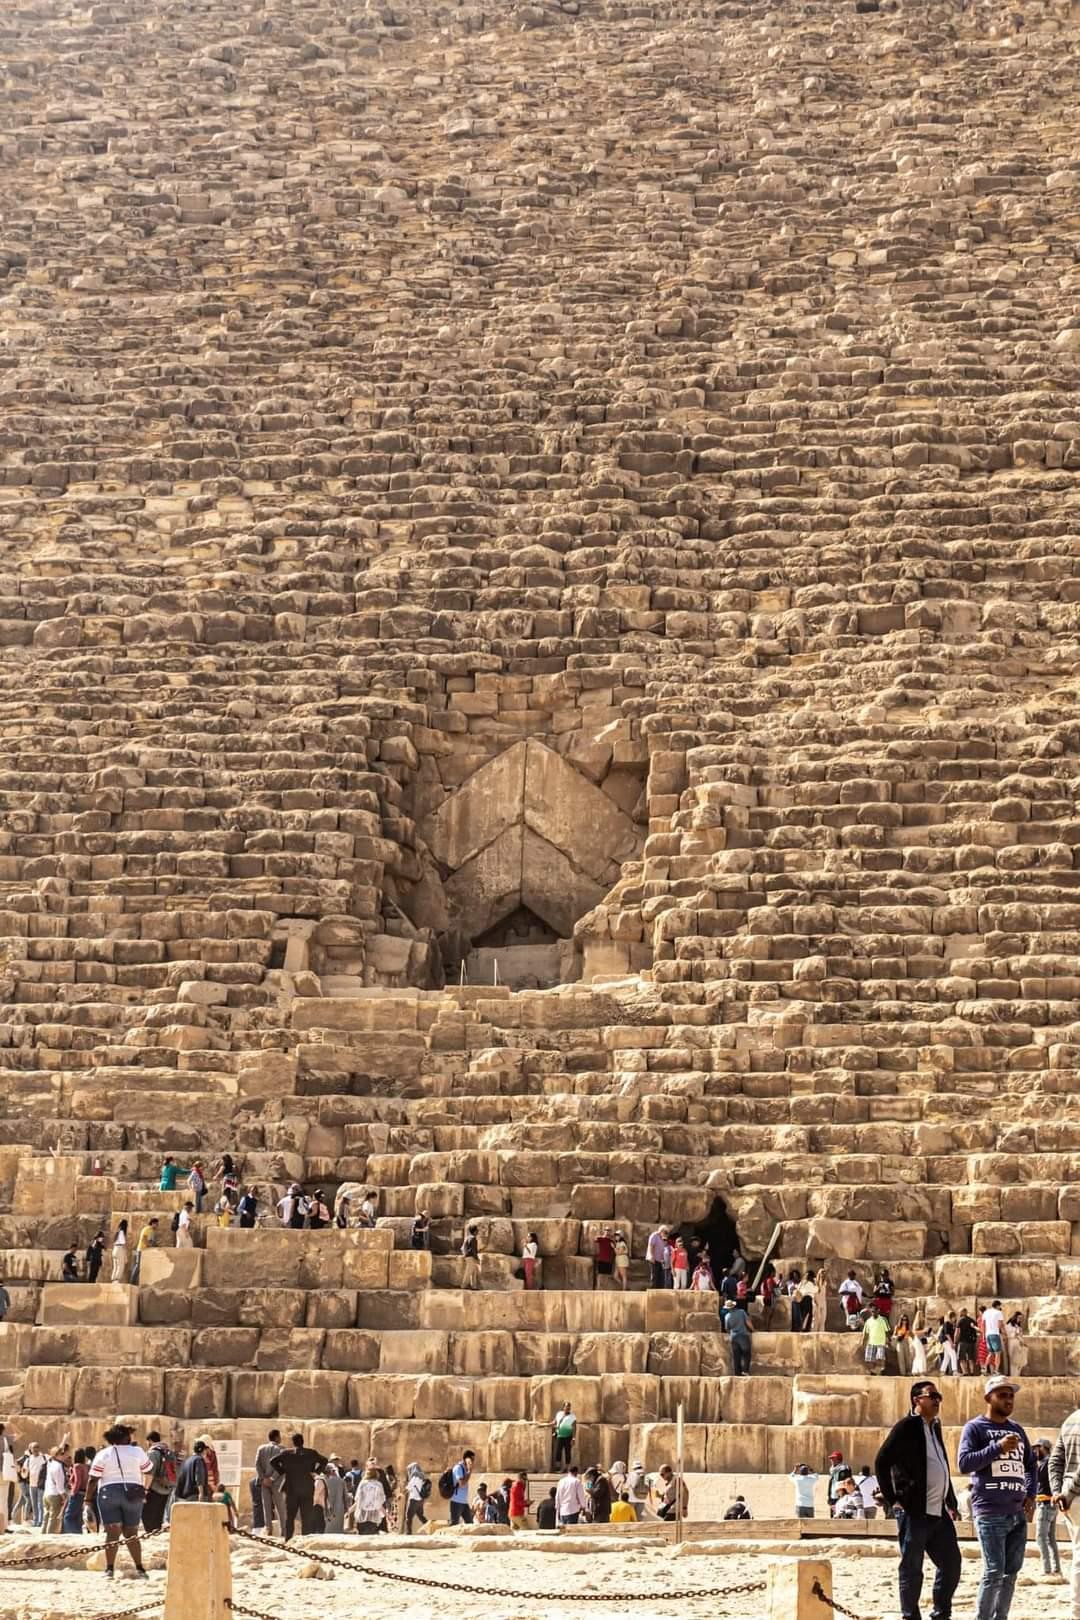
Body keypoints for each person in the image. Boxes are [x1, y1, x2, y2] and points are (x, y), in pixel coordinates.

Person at [875, 1379, 961, 1620]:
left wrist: (950, 1500)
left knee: (951, 1564)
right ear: (916, 1400)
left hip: (938, 1511)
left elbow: (941, 1463)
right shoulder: (906, 1426)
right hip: (914, 1510)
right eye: (932, 1396)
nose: (937, 1400)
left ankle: (941, 1613)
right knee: (912, 1567)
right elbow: (882, 1461)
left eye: (939, 1397)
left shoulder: (935, 1427)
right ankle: (910, 1615)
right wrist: (893, 1499)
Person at [958, 1375, 1036, 1620]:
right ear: (988, 1398)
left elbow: (1030, 1465)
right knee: (993, 1572)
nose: (1008, 1400)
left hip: (1017, 1513)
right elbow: (964, 1463)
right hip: (990, 1511)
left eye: (1011, 1395)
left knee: (1011, 1574)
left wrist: (1031, 1494)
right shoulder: (975, 1428)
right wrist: (998, 1448)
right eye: (1002, 1395)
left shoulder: (1017, 1429)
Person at [87, 1423, 154, 1578]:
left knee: (112, 1532)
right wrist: (145, 1489)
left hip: (109, 1493)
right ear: (127, 1437)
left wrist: (87, 1500)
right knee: (132, 1533)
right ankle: (140, 1569)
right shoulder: (137, 1451)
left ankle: (109, 1569)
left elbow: (93, 1479)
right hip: (133, 1493)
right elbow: (149, 1471)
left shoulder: (104, 1453)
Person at [271, 1433, 328, 1540]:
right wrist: (315, 1472)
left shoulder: (286, 1453)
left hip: (291, 1488)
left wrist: (283, 1471)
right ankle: (305, 1538)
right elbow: (324, 1460)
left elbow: (273, 1461)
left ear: (293, 1442)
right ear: (303, 1441)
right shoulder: (311, 1453)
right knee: (306, 1516)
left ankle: (288, 1538)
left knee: (290, 1516)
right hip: (307, 1488)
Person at [1032, 1440, 1062, 1579]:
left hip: (1045, 1504)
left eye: (1036, 1449)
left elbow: (1036, 1477)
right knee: (1050, 1539)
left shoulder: (1047, 1462)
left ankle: (1047, 1569)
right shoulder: (1050, 1462)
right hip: (1050, 1504)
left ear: (1043, 1448)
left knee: (1041, 1538)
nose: (1034, 1452)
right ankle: (1056, 1568)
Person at [142, 1431, 176, 1534]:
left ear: (149, 1441)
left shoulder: (153, 1453)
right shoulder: (168, 1451)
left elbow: (149, 1473)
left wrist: (145, 1489)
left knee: (147, 1514)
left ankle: (150, 1533)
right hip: (166, 1488)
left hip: (154, 1488)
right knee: (159, 1514)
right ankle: (156, 1532)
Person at [254, 1429, 285, 1536]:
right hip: (276, 1482)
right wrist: (272, 1478)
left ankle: (268, 1530)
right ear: (276, 1437)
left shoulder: (261, 1448)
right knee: (280, 1507)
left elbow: (257, 1464)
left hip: (264, 1483)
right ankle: (284, 1531)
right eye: (280, 1436)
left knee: (266, 1507)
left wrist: (263, 1478)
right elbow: (281, 1466)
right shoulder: (281, 1449)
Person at [63, 1447, 90, 1534]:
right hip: (84, 1492)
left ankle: (71, 1532)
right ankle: (78, 1532)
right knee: (78, 1515)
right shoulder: (87, 1466)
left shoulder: (76, 1466)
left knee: (68, 1516)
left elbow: (78, 1481)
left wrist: (73, 1492)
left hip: (77, 1492)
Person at [42, 1446, 68, 1533]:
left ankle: (43, 1535)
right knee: (53, 1519)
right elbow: (59, 1485)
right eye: (62, 1454)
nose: (64, 1455)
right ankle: (50, 1535)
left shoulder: (50, 1464)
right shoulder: (58, 1466)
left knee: (46, 1517)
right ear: (56, 1455)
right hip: (54, 1494)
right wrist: (64, 1496)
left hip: (46, 1494)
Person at [352, 1465, 385, 1535]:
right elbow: (381, 1500)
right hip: (373, 1515)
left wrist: (350, 1510)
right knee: (371, 1534)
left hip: (362, 1513)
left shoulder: (362, 1484)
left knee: (361, 1535)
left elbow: (358, 1498)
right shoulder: (379, 1485)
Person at [724, 1297, 753, 1375]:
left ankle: (737, 1373)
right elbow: (748, 1322)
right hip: (743, 1335)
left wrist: (731, 1333)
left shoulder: (727, 1316)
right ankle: (745, 1371)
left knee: (736, 1356)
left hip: (734, 1337)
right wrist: (753, 1329)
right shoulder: (741, 1312)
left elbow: (727, 1328)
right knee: (746, 1354)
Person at [448, 1449, 474, 1526]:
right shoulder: (458, 1468)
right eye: (472, 1459)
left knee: (470, 1524)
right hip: (456, 1501)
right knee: (454, 1524)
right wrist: (469, 1472)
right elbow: (462, 1483)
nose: (473, 1462)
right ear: (466, 1459)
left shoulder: (464, 1469)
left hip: (464, 1502)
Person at [404, 1461, 430, 1534]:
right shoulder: (422, 1476)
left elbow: (409, 1488)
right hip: (420, 1500)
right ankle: (430, 1527)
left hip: (414, 1499)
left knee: (408, 1517)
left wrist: (401, 1494)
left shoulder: (415, 1476)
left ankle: (408, 1533)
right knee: (420, 1516)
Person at [130, 1218, 158, 1286]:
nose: (157, 1226)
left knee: (141, 1266)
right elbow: (145, 1239)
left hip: (144, 1251)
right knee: (138, 1266)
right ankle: (132, 1282)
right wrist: (149, 1246)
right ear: (153, 1223)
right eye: (156, 1224)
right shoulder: (148, 1229)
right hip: (142, 1250)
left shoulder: (150, 1230)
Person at [321, 1458, 347, 1533]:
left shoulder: (321, 1480)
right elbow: (345, 1496)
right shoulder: (341, 1481)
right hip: (339, 1508)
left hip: (325, 1508)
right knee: (337, 1530)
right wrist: (346, 1508)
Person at [981, 1300, 1006, 1376]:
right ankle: (996, 1370)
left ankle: (984, 1368)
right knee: (998, 1353)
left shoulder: (986, 1312)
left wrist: (983, 1335)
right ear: (997, 1306)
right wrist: (1004, 1334)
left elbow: (983, 1324)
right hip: (995, 1334)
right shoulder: (999, 1313)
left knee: (990, 1353)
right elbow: (1000, 1325)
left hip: (988, 1335)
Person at [863, 1304, 890, 1373]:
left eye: (875, 1311)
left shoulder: (883, 1320)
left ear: (878, 1311)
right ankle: (873, 1371)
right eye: (872, 1311)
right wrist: (863, 1342)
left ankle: (881, 1371)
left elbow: (887, 1331)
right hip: (871, 1342)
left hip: (881, 1342)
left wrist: (888, 1340)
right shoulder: (868, 1321)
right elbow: (866, 1333)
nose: (873, 1313)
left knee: (880, 1358)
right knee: (869, 1359)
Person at [551, 1402, 577, 1468]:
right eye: (566, 1406)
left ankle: (567, 1467)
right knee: (558, 1451)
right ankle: (558, 1467)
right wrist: (547, 1425)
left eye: (569, 1407)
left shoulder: (572, 1416)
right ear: (563, 1407)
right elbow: (555, 1422)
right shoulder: (559, 1414)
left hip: (568, 1436)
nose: (568, 1408)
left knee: (567, 1452)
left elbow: (574, 1427)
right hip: (559, 1435)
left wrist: (573, 1438)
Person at [956, 1310, 979, 1376]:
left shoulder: (960, 1320)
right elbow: (976, 1331)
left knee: (961, 1358)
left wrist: (955, 1341)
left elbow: (957, 1332)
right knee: (971, 1358)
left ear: (962, 1312)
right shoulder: (972, 1320)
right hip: (971, 1342)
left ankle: (965, 1372)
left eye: (960, 1312)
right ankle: (972, 1372)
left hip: (962, 1342)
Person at [1004, 1313, 1027, 1378]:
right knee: (1013, 1361)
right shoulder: (1008, 1325)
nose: (1020, 1320)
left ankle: (1017, 1375)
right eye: (1019, 1318)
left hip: (1019, 1344)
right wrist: (1015, 1334)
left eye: (1021, 1318)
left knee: (1020, 1361)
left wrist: (1022, 1341)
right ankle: (1013, 1376)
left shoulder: (1018, 1326)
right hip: (1012, 1343)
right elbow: (1008, 1335)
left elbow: (1020, 1335)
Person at [461, 1225, 481, 1290]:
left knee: (474, 1271)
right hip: (471, 1256)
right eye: (477, 1230)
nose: (478, 1231)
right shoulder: (473, 1238)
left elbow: (462, 1248)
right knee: (469, 1271)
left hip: (468, 1256)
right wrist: (477, 1258)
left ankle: (474, 1286)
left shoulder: (467, 1238)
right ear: (474, 1231)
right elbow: (473, 1250)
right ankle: (463, 1285)